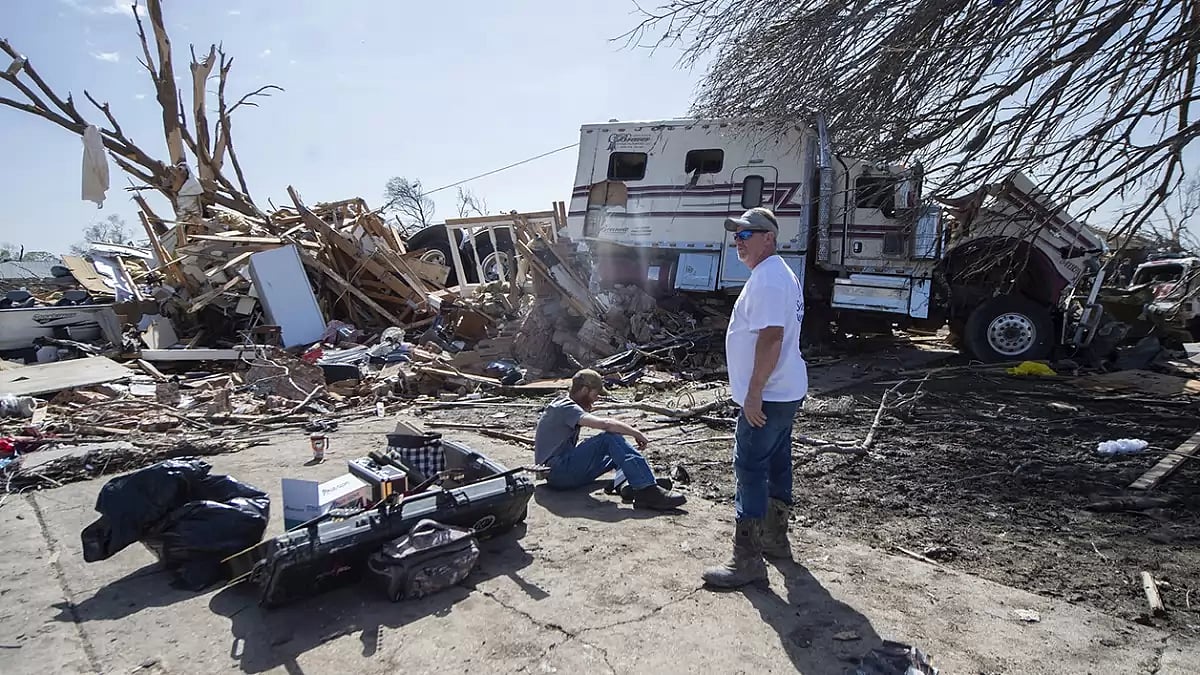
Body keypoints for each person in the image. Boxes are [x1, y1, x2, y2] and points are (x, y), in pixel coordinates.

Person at [703, 207, 808, 588]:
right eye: (736, 235)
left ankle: (747, 561)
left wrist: (753, 394)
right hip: (786, 390)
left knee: (749, 468)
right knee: (778, 463)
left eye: (746, 235)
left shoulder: (767, 280)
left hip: (769, 394)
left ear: (769, 238)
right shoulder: (781, 274)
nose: (738, 242)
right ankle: (774, 540)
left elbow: (771, 338)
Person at [533, 369, 687, 511]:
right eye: (595, 394)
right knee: (609, 439)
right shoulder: (565, 407)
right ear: (584, 390)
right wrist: (636, 432)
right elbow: (605, 425)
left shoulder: (565, 404)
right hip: (558, 472)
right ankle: (646, 490)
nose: (597, 398)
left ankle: (627, 485)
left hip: (560, 473)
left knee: (618, 450)